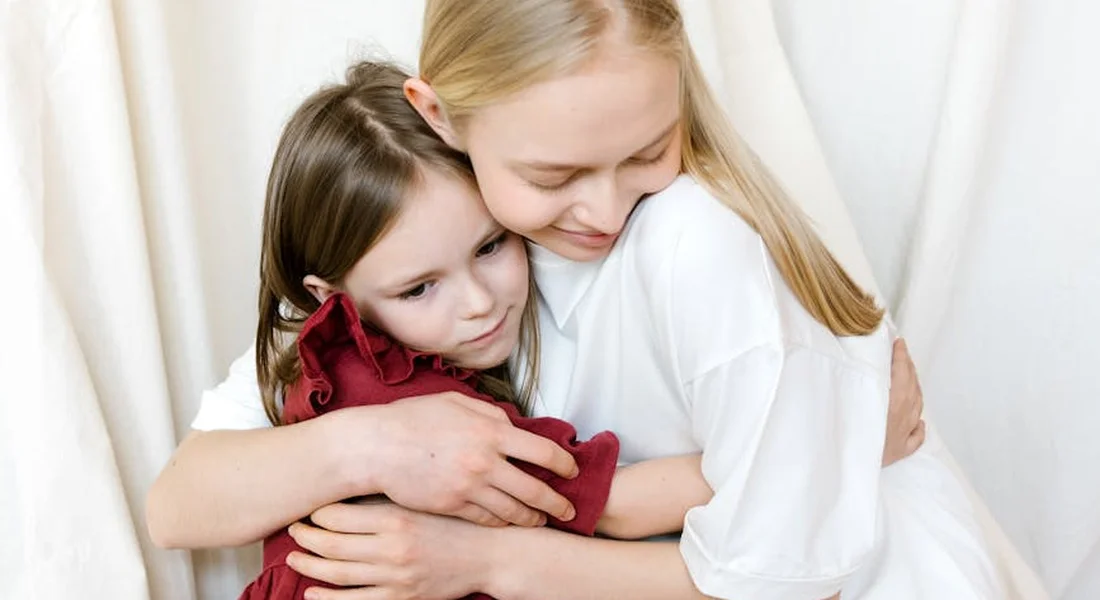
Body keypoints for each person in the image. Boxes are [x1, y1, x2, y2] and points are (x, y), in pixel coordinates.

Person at [145, 1, 991, 598]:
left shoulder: (692, 246)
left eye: (649, 150)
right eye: (551, 177)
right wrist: (378, 445)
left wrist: (820, 449)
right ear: (443, 120)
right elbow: (177, 505)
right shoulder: (422, 241)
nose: (607, 210)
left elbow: (764, 573)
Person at [231, 61, 715, 599]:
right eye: (419, 289)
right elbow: (615, 505)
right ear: (333, 300)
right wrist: (761, 456)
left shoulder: (334, 363)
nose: (479, 303)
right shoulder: (390, 390)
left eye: (489, 247)